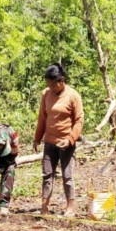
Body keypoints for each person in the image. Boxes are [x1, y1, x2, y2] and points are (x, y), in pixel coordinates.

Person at [33, 63, 84, 216]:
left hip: (66, 143)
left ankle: (70, 207)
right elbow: (42, 117)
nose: (51, 88)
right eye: (48, 85)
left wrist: (70, 139)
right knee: (47, 175)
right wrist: (37, 138)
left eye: (53, 85)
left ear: (62, 81)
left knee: (67, 175)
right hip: (49, 142)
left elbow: (79, 120)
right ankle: (44, 206)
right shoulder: (46, 94)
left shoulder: (73, 96)